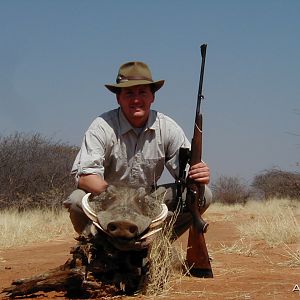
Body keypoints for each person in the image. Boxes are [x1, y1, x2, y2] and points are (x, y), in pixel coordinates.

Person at [64, 61, 212, 277]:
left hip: (148, 199)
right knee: (77, 202)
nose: (136, 99)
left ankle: (153, 244)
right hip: (108, 198)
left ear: (152, 96)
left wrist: (199, 174)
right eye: (128, 93)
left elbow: (187, 174)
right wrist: (118, 198)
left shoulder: (167, 127)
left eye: (142, 92)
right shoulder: (102, 126)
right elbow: (86, 178)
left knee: (202, 195)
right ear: (118, 98)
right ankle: (101, 248)